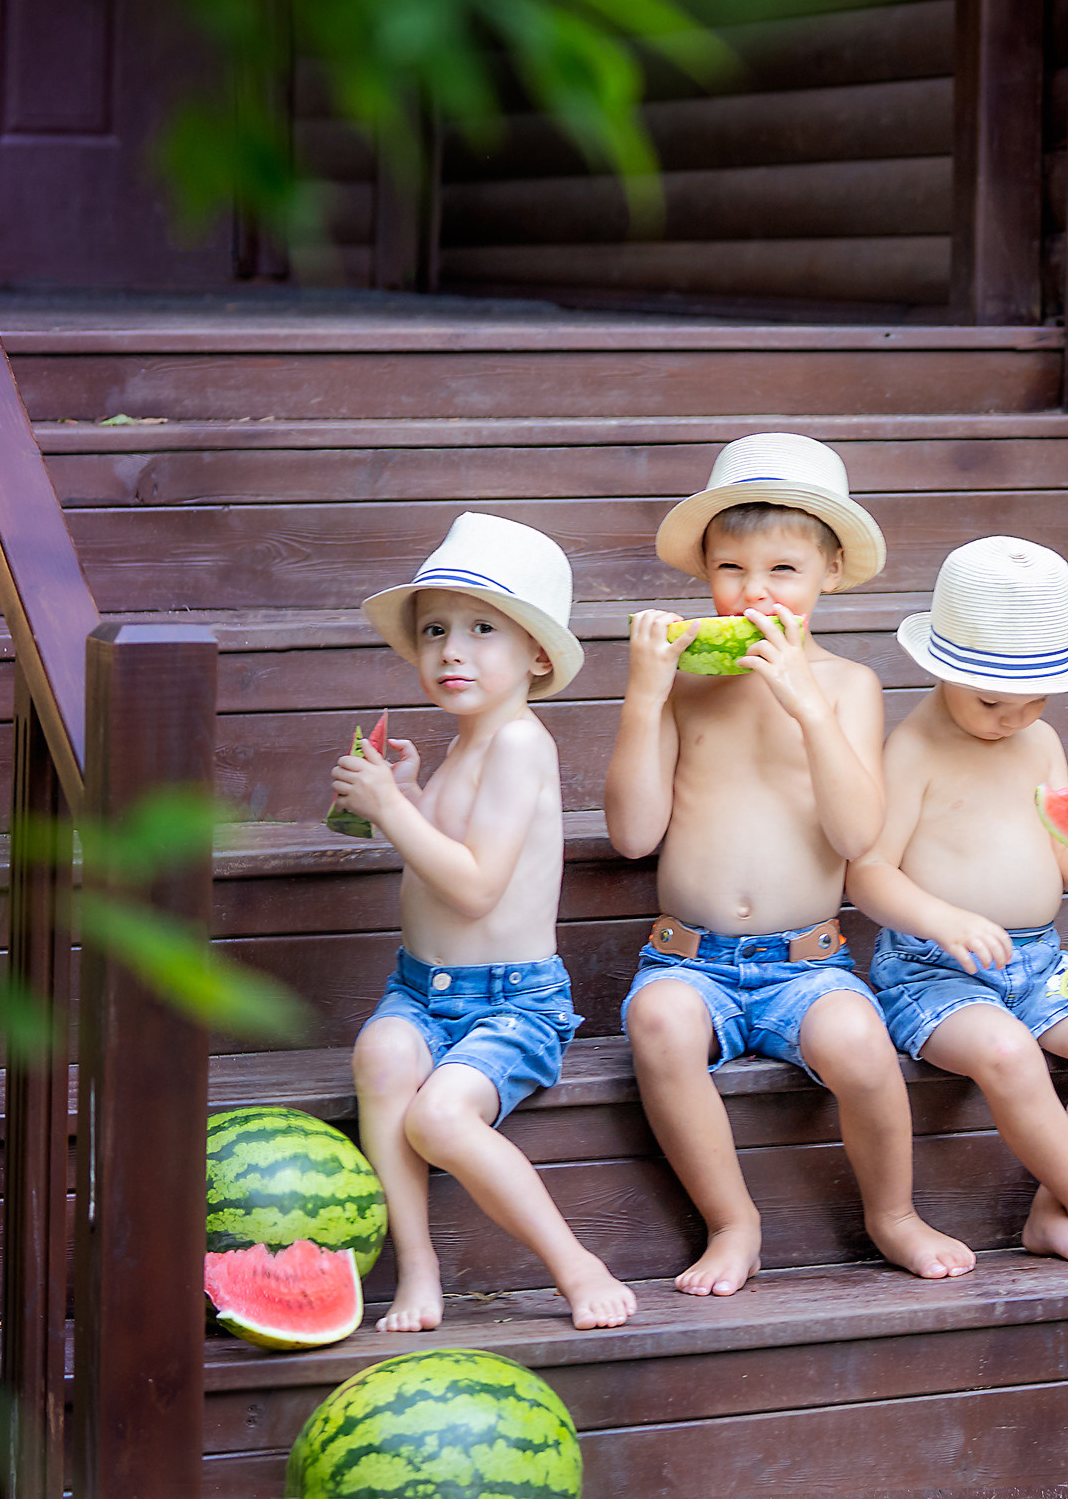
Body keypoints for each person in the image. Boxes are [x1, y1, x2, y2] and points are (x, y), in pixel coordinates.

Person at [607, 432, 975, 1297]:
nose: (751, 593)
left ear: (830, 576)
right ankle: (733, 1222)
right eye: (730, 569)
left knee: (861, 1044)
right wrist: (643, 694)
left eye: (782, 571)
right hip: (687, 959)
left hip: (809, 964)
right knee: (658, 1026)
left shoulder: (846, 686)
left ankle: (893, 1214)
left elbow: (855, 838)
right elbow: (631, 833)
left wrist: (808, 711)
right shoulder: (682, 683)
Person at [335, 512, 636, 1331]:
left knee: (438, 1117)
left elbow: (474, 888)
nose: (449, 651)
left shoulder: (519, 746)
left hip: (511, 1001)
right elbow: (441, 843)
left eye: (480, 631)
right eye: (433, 631)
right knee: (381, 1052)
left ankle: (577, 1264)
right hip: (419, 990)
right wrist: (410, 789)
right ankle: (418, 1271)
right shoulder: (468, 741)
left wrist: (393, 811)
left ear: (537, 655)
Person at [846, 536, 1068, 1264]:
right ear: (939, 671)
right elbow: (866, 873)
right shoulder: (912, 751)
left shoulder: (1041, 741)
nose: (1014, 717)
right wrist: (943, 917)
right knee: (1008, 1052)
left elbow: (1067, 867)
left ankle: (1052, 1211)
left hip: (1038, 964)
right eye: (994, 700)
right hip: (931, 973)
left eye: (1036, 700)